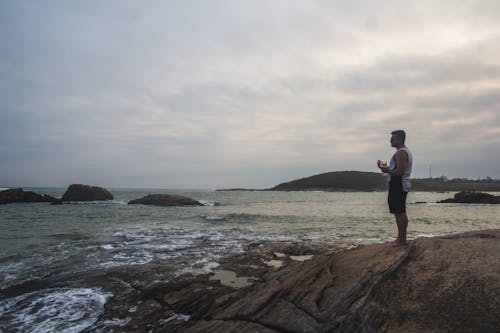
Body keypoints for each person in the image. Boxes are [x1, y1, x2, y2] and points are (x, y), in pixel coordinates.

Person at [377, 130, 413, 246]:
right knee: (398, 211)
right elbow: (397, 169)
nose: (390, 141)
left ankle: (401, 239)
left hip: (399, 184)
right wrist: (386, 167)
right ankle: (400, 238)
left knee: (400, 211)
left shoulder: (401, 153)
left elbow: (400, 171)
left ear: (400, 140)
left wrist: (386, 170)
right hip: (398, 183)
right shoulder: (401, 152)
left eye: (393, 139)